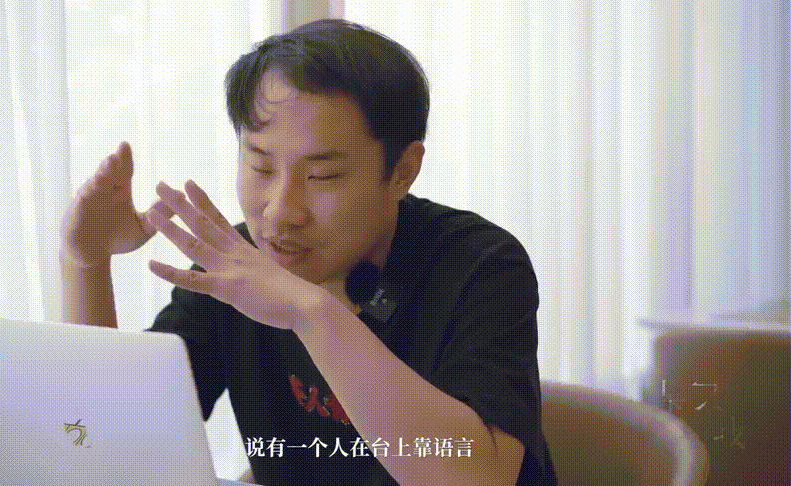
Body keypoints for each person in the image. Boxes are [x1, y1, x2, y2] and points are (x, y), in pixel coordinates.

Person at [60, 18, 557, 486]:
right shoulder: (233, 270)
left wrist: (310, 312)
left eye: (322, 176)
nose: (280, 212)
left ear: (404, 170)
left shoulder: (480, 264)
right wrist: (85, 262)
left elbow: (481, 474)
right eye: (260, 166)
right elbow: (101, 439)